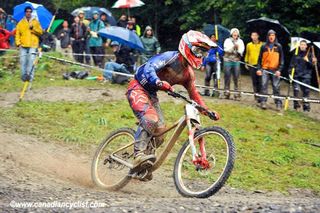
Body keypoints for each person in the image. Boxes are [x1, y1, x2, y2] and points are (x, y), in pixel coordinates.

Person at [127, 30, 220, 176]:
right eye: (197, 51)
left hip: (151, 94)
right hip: (137, 87)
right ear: (186, 46)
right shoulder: (170, 57)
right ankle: (138, 156)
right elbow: (149, 67)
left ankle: (144, 165)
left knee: (160, 134)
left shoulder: (188, 74)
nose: (200, 55)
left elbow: (194, 94)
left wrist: (206, 110)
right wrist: (158, 81)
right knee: (151, 119)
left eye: (203, 53)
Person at [257, 29, 284, 110]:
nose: (271, 37)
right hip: (265, 69)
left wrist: (279, 70)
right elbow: (259, 59)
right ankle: (263, 102)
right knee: (263, 85)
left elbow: (282, 60)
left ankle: (278, 103)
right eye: (270, 35)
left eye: (273, 35)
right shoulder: (263, 46)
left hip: (275, 70)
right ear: (267, 36)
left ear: (275, 36)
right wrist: (259, 69)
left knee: (276, 87)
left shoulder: (278, 46)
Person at [15, 6, 43, 83]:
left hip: (33, 45)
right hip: (23, 45)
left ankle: (30, 78)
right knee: (23, 61)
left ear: (31, 12)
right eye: (27, 11)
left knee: (31, 61)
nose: (28, 13)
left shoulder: (35, 22)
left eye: (30, 11)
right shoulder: (20, 22)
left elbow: (40, 32)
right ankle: (24, 78)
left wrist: (33, 28)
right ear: (25, 12)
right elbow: (17, 34)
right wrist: (18, 43)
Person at [288, 40, 317, 112]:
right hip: (297, 75)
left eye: (304, 45)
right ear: (299, 45)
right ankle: (296, 106)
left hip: (306, 76)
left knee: (306, 91)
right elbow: (291, 65)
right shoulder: (296, 54)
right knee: (296, 90)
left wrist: (309, 61)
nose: (302, 46)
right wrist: (290, 73)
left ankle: (306, 107)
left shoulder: (310, 54)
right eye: (301, 45)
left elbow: (313, 67)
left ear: (306, 46)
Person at [223, 28, 245, 100]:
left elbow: (241, 51)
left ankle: (237, 94)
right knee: (227, 77)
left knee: (236, 77)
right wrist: (233, 47)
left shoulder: (240, 41)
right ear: (231, 34)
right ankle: (226, 93)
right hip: (227, 61)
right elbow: (226, 50)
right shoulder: (227, 41)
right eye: (234, 33)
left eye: (236, 33)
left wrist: (238, 49)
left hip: (236, 61)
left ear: (238, 34)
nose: (235, 34)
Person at [244, 31, 263, 102]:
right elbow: (247, 54)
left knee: (260, 81)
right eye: (253, 35)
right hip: (251, 65)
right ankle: (256, 95)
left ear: (258, 36)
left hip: (260, 65)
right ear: (251, 37)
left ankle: (261, 95)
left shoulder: (262, 45)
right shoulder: (249, 45)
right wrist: (246, 62)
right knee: (254, 81)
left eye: (255, 35)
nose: (254, 37)